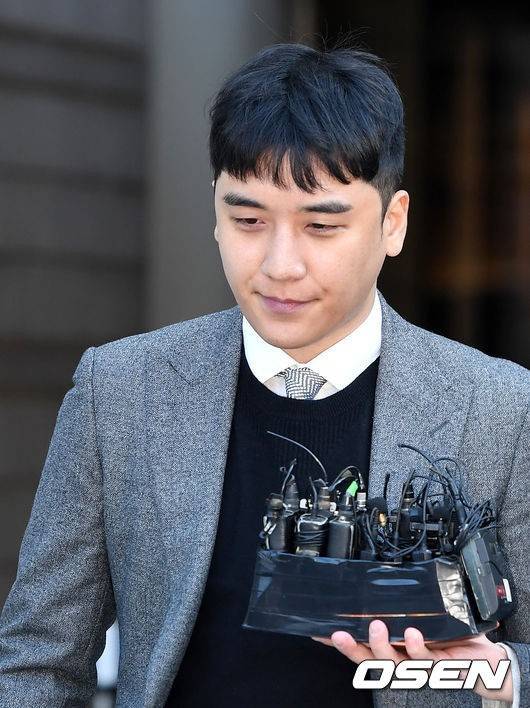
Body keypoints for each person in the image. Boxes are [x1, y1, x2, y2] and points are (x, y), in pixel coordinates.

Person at [0, 42, 528, 708]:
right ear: (215, 214)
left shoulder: (499, 408)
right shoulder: (121, 390)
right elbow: (38, 661)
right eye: (248, 220)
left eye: (321, 226)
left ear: (392, 223)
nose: (280, 264)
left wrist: (502, 674)